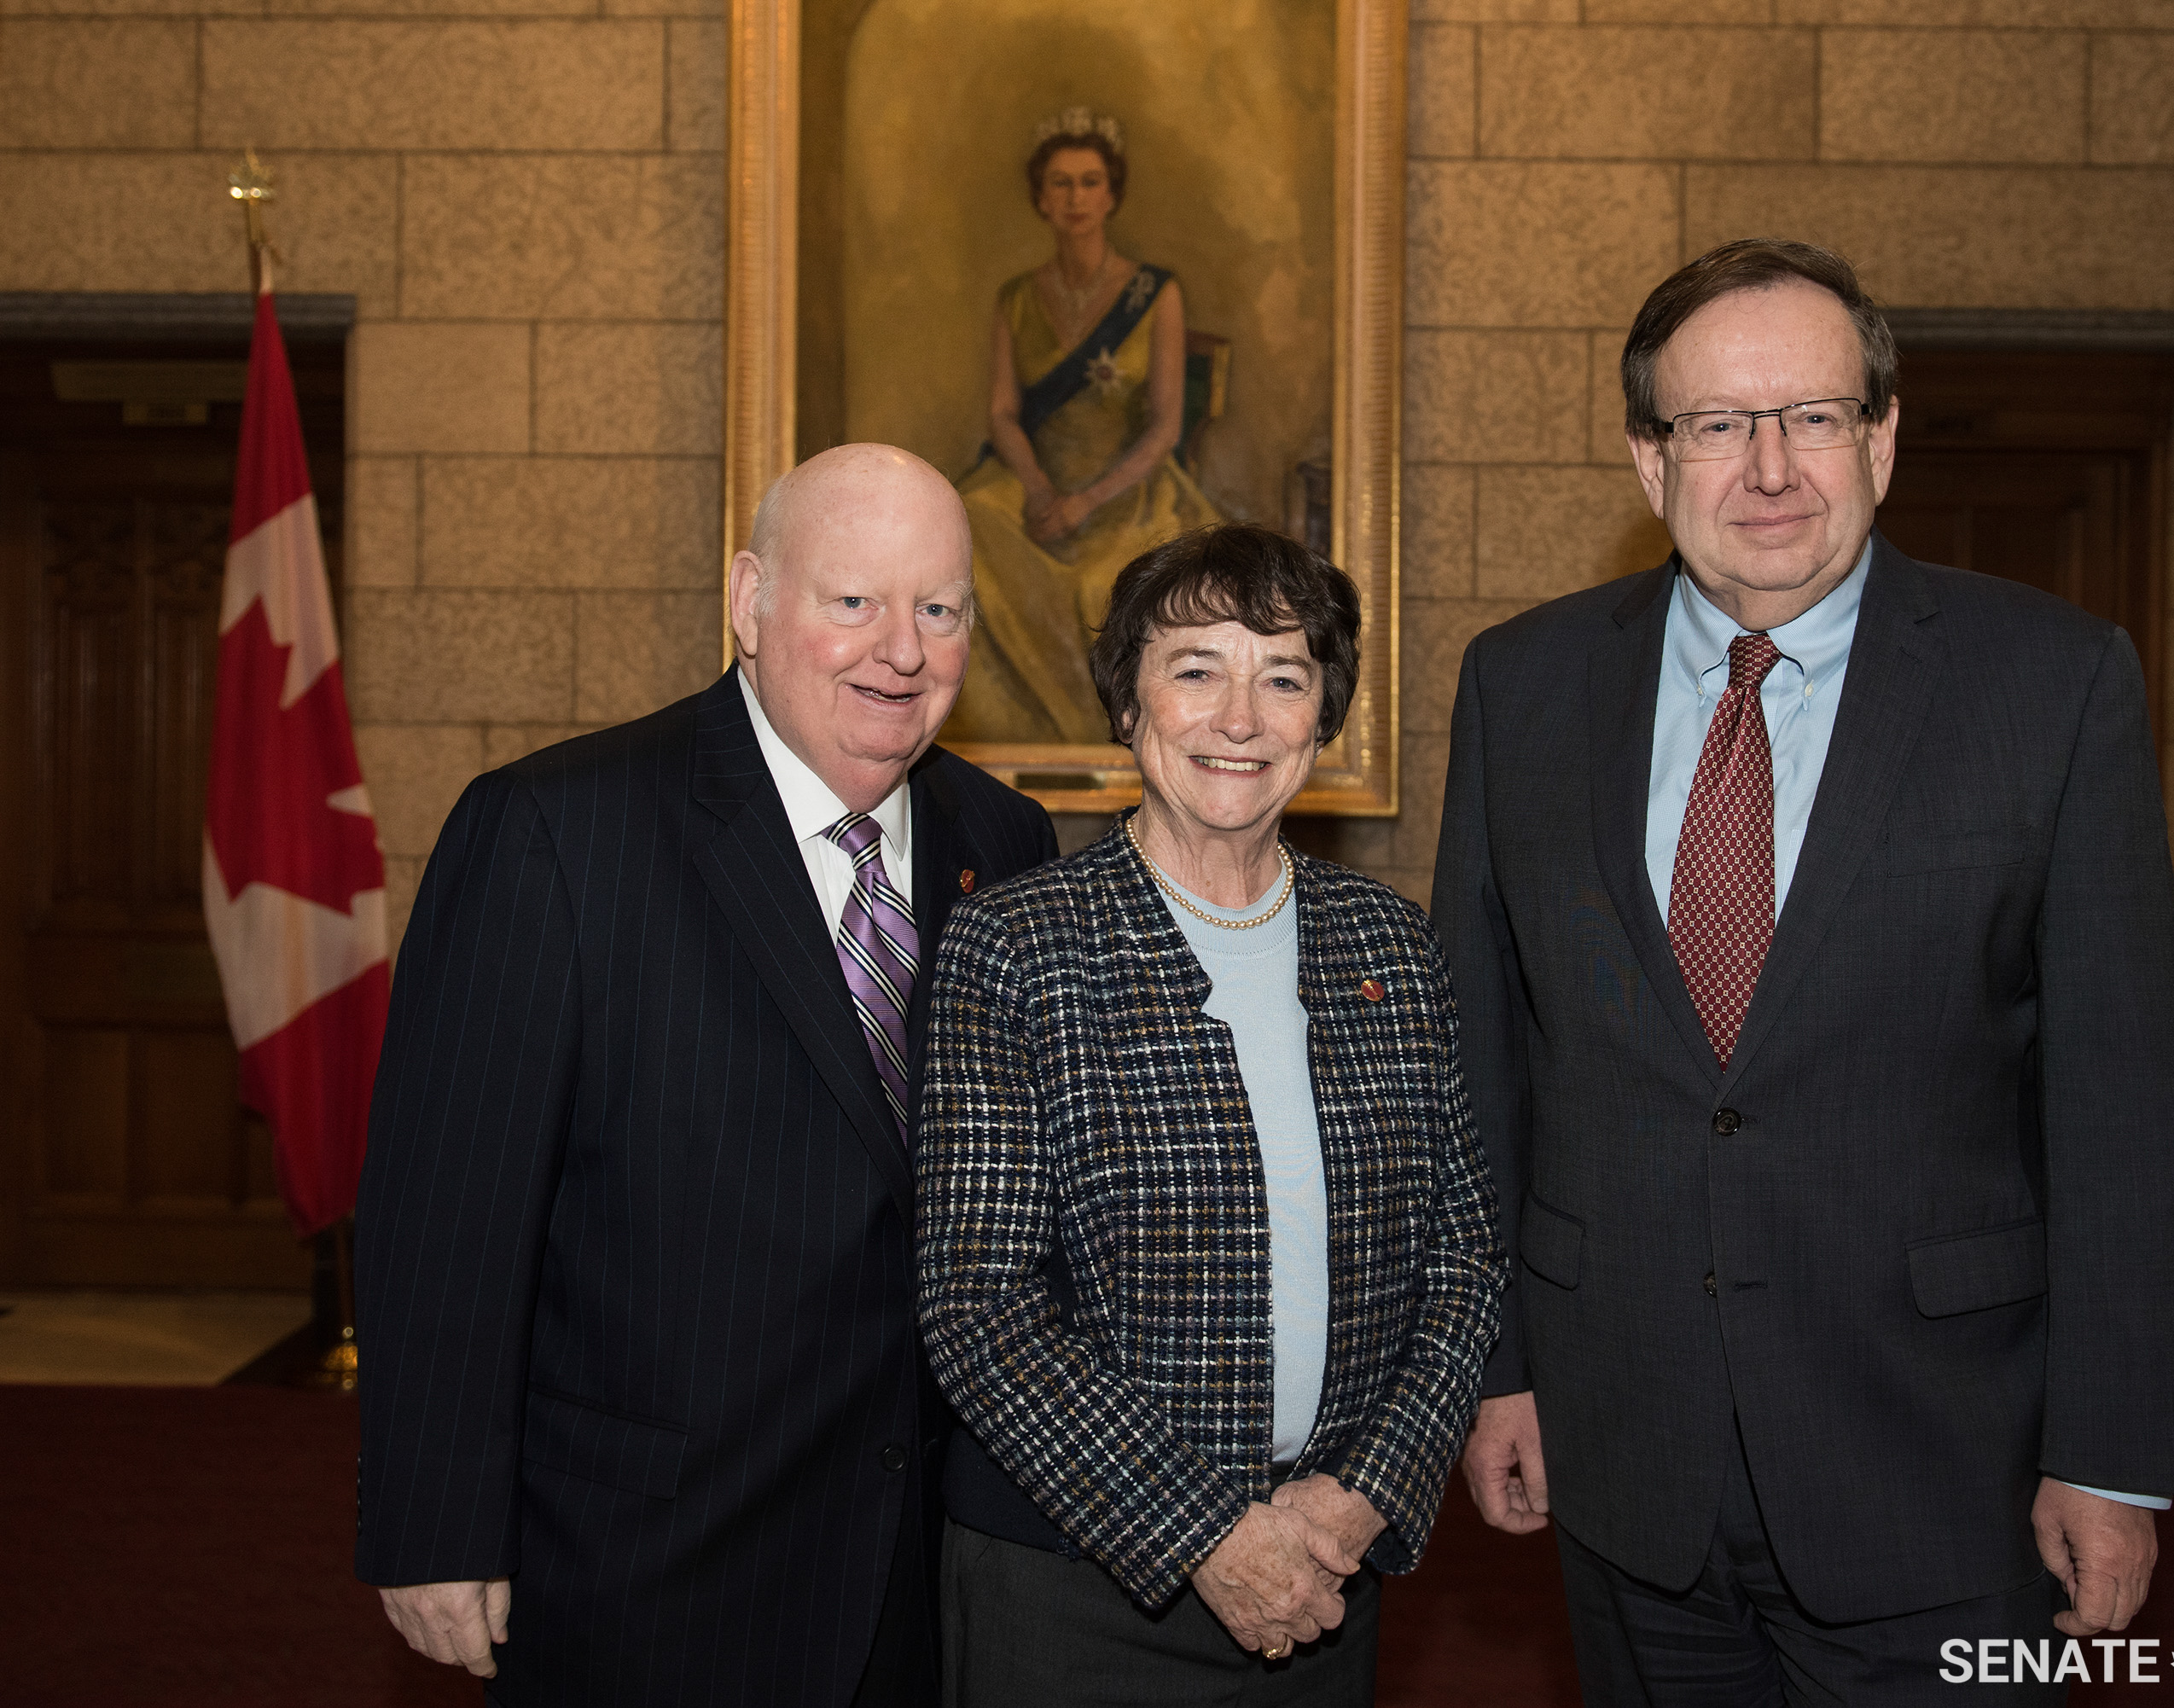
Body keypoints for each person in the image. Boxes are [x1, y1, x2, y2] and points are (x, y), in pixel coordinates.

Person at [1433, 237, 2174, 1704]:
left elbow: (2120, 1101)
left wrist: (2111, 1454)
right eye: (1719, 424)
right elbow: (1487, 1063)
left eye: (1813, 416)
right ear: (1649, 462)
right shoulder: (1519, 688)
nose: (1770, 466)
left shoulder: (2052, 684)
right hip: (1624, 1453)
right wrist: (1497, 1364)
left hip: (1941, 1463)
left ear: (1883, 435)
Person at [353, 444, 1059, 1706]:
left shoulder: (1004, 842)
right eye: (852, 601)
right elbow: (446, 1211)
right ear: (748, 599)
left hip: (926, 1566)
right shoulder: (557, 831)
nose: (900, 649)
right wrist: (435, 1519)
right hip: (648, 1560)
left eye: (938, 609)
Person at [917, 523, 1503, 1705]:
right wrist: (1207, 1535)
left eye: (1282, 676)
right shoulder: (1016, 944)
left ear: (1321, 719)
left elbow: (1465, 1260)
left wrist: (1357, 1496)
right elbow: (977, 1302)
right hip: (1074, 1588)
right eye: (1195, 668)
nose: (1240, 716)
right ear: (1128, 707)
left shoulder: (1388, 942)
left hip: (1328, 1570)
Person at [945, 107, 1222, 747]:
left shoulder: (1155, 293)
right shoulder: (1017, 297)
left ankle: (1105, 733)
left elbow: (1163, 428)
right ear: (1041, 198)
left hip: (1130, 487)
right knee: (966, 526)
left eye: (1090, 182)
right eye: (1061, 184)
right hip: (1035, 480)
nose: (1076, 198)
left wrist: (1086, 502)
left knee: (1111, 582)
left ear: (1112, 193)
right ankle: (1017, 729)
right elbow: (1002, 413)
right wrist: (1041, 492)